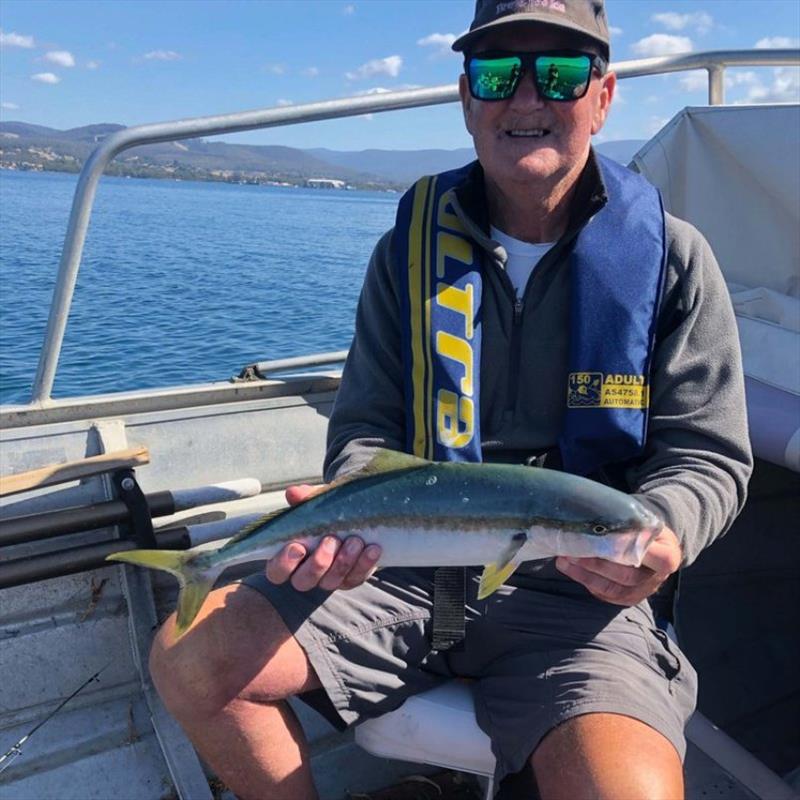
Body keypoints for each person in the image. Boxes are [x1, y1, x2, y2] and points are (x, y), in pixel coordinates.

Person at [149, 1, 752, 798]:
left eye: (563, 73)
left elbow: (708, 455)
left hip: (577, 592)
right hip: (394, 573)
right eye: (498, 73)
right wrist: (353, 504)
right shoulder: (407, 251)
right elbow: (366, 423)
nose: (527, 99)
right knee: (190, 660)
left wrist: (662, 533)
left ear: (603, 97)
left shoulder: (674, 258)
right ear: (467, 99)